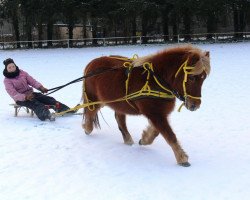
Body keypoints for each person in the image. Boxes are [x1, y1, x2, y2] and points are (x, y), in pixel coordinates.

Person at [3, 58, 72, 121]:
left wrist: (40, 88)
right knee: (36, 104)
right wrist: (25, 97)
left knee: (48, 99)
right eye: (9, 67)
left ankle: (65, 109)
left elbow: (32, 81)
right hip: (21, 99)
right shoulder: (7, 81)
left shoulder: (22, 73)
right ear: (6, 69)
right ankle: (46, 115)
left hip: (31, 94)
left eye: (13, 66)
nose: (12, 68)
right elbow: (13, 94)